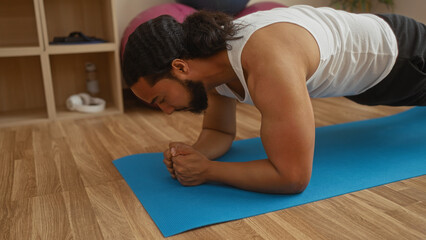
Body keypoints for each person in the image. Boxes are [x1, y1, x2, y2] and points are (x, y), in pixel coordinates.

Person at [122, 5, 426, 194]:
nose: (165, 111)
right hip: (366, 81)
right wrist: (194, 155)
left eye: (160, 98)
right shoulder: (208, 69)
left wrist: (209, 172)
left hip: (406, 58)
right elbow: (219, 132)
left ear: (180, 67)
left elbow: (292, 177)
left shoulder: (267, 62)